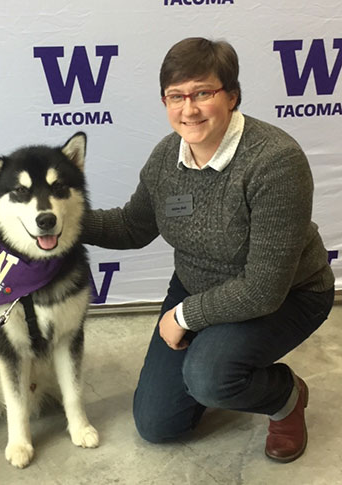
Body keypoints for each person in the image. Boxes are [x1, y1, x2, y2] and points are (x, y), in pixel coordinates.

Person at [82, 37, 335, 463]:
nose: (189, 109)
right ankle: (218, 364)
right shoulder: (166, 158)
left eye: (203, 93)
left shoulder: (276, 162)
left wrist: (184, 317)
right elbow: (132, 225)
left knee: (208, 376)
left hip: (287, 295)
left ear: (232, 96)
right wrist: (62, 221)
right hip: (198, 286)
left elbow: (262, 289)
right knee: (158, 425)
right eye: (176, 96)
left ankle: (285, 397)